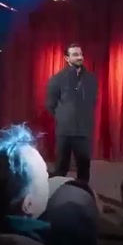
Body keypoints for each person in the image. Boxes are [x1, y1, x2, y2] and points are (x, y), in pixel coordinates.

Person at [46, 44, 98, 182]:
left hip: (84, 130)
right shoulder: (57, 79)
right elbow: (50, 105)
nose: (80, 57)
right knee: (61, 168)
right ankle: (56, 191)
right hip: (65, 131)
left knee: (84, 169)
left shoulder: (91, 78)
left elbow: (93, 101)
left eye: (81, 54)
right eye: (75, 54)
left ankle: (83, 191)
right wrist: (63, 117)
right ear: (67, 58)